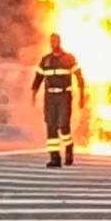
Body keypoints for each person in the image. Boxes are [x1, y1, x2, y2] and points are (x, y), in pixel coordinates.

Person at [32, 33, 85, 168]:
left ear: (59, 42)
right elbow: (38, 78)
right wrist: (33, 94)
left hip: (64, 96)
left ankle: (68, 148)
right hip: (50, 97)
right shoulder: (46, 60)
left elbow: (79, 77)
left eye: (55, 41)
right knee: (51, 126)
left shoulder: (68, 59)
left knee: (63, 125)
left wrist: (82, 95)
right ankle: (54, 157)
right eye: (51, 41)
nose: (53, 43)